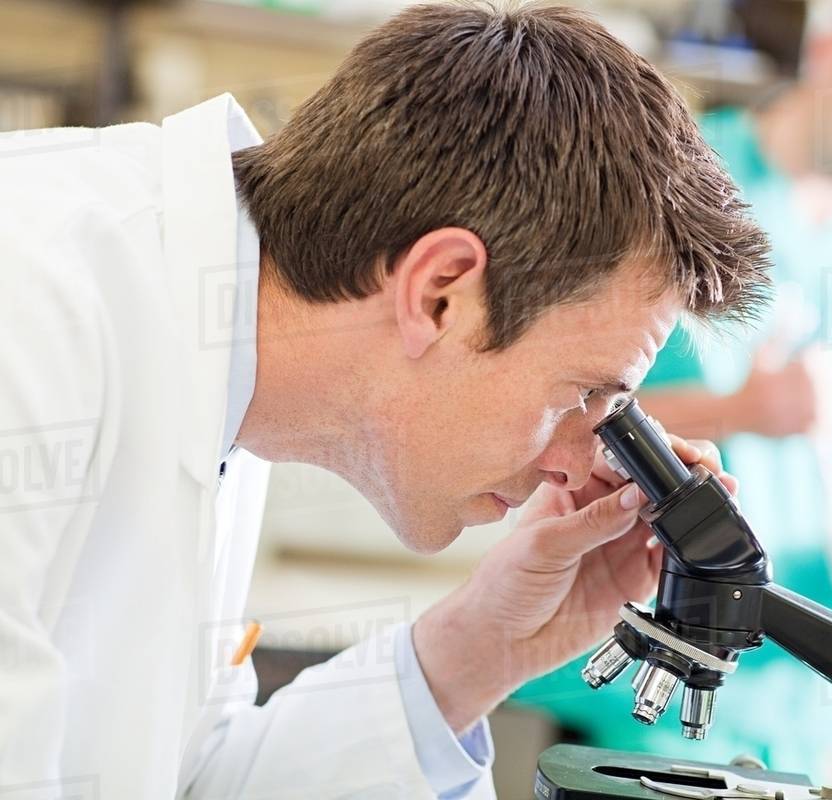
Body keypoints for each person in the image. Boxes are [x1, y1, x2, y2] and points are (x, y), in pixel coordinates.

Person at [0, 4, 772, 798]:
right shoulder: (25, 306)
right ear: (439, 294)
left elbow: (188, 781)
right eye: (583, 395)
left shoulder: (228, 366)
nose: (577, 471)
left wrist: (484, 648)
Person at [512, 1, 832, 797]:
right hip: (656, 679)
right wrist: (740, 413)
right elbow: (524, 411)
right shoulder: (657, 189)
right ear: (831, 46)